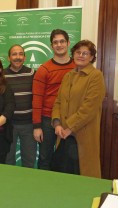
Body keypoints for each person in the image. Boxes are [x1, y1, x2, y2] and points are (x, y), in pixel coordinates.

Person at [52, 40, 105, 178]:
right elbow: (58, 102)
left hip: (82, 134)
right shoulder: (68, 76)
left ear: (92, 57)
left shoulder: (96, 76)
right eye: (78, 52)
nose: (81, 55)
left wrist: (69, 127)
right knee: (62, 174)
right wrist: (57, 124)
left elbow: (89, 108)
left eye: (85, 53)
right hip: (62, 134)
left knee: (82, 175)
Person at [32, 29, 76, 170]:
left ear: (68, 43)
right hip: (47, 120)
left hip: (71, 119)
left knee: (69, 158)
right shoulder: (44, 69)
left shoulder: (77, 67)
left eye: (62, 41)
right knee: (45, 158)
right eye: (55, 42)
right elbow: (37, 99)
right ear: (51, 46)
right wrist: (37, 127)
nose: (59, 45)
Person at [4, 44, 37, 167]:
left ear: (25, 57)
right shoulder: (1, 75)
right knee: (7, 160)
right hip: (8, 125)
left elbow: (38, 98)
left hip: (29, 125)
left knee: (29, 159)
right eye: (14, 54)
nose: (17, 57)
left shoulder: (33, 74)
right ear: (8, 58)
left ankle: (28, 184)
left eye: (20, 54)